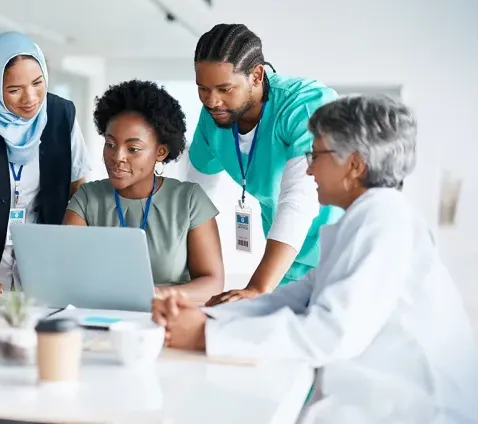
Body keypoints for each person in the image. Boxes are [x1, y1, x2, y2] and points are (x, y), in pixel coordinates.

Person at [153, 95, 478, 424]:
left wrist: (204, 335)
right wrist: (202, 317)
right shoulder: (363, 219)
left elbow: (329, 332)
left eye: (316, 154)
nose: (308, 167)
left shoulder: (383, 218)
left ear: (354, 165)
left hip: (418, 409)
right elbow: (294, 299)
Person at [187, 23, 344, 306]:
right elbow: (196, 197)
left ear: (257, 75)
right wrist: (190, 273)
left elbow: (300, 199)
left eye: (224, 88)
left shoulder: (302, 105)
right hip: (287, 265)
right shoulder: (213, 116)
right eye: (202, 89)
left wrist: (258, 287)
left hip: (340, 255)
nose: (211, 101)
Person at [0, 31, 89, 293]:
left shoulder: (61, 113)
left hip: (43, 248)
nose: (30, 98)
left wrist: (71, 256)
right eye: (14, 90)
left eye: (37, 83)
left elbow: (79, 188)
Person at [64, 80, 224, 303]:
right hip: (99, 315)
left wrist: (157, 295)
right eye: (110, 144)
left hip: (168, 318)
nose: (117, 156)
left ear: (160, 152)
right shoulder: (87, 199)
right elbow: (66, 273)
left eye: (133, 149)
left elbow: (212, 283)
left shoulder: (189, 200)